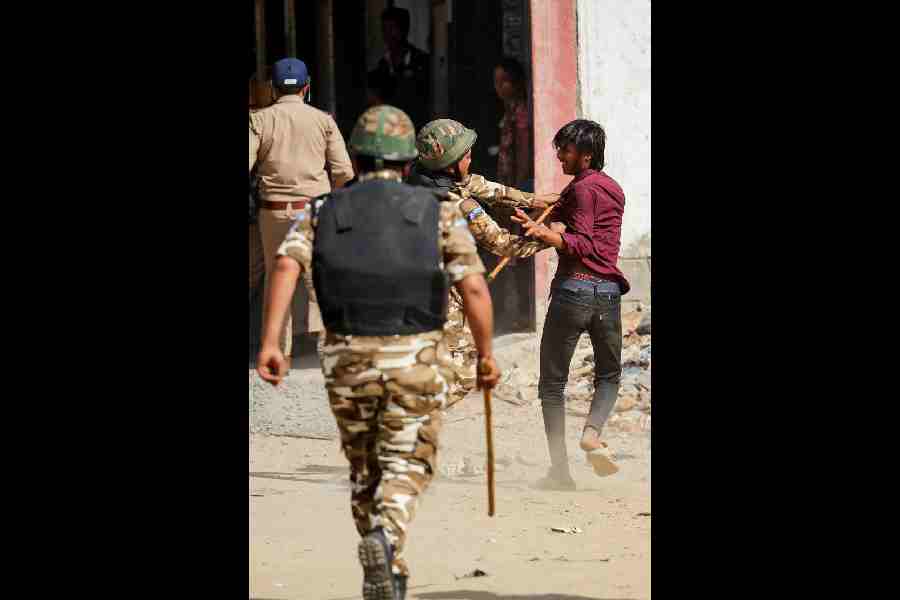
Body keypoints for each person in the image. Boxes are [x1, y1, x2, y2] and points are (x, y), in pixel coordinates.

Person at [256, 105, 501, 600]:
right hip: (414, 355)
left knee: (365, 465)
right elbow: (473, 288)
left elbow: (285, 266)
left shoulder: (322, 209)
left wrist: (269, 344)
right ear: (409, 162)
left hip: (344, 356)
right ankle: (387, 537)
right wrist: (486, 354)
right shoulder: (440, 210)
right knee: (411, 460)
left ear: (358, 158)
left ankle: (390, 565)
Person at [408, 118, 564, 407]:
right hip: (444, 295)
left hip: (407, 288)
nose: (471, 158)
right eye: (466, 155)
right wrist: (550, 238)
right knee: (464, 373)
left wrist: (534, 201)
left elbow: (485, 187)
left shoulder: (418, 177)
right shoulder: (460, 205)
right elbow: (503, 244)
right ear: (450, 162)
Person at [512, 119, 630, 490]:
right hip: (608, 294)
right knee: (609, 376)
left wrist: (549, 235)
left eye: (566, 150)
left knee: (552, 386)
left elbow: (584, 243)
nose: (559, 155)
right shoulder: (608, 189)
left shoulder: (581, 192)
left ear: (587, 155)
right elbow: (561, 208)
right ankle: (592, 432)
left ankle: (560, 472)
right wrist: (533, 213)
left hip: (574, 293)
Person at [250, 57, 354, 360]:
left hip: (274, 211)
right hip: (315, 210)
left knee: (276, 277)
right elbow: (344, 171)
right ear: (307, 88)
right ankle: (334, 345)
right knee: (318, 276)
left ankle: (278, 351)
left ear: (272, 88)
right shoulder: (324, 121)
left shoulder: (260, 120)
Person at [371, 6, 431, 129]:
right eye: (384, 29)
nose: (388, 34)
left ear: (404, 30)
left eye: (392, 28)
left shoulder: (422, 63)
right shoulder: (381, 67)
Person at [494, 57, 533, 191]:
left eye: (504, 81)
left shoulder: (520, 113)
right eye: (496, 81)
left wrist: (518, 188)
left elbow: (523, 151)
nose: (498, 86)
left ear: (517, 83)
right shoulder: (509, 111)